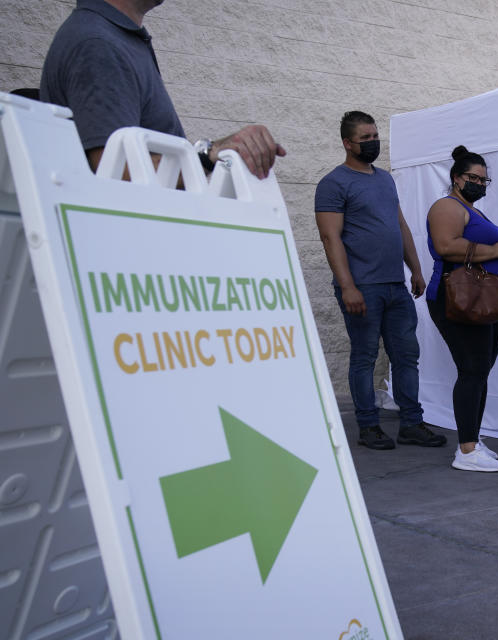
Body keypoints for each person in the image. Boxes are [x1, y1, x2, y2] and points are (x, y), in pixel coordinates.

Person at [315, 111, 446, 450]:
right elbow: (330, 238)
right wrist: (347, 287)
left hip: (395, 285)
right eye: (366, 139)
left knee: (406, 355)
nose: (373, 143)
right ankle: (369, 426)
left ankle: (412, 424)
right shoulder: (334, 183)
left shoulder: (385, 179)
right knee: (364, 356)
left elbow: (399, 225)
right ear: (347, 143)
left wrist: (416, 268)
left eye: (375, 137)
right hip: (362, 287)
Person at [40, 0, 284, 178]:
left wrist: (221, 148)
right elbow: (115, 168)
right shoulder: (99, 45)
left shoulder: (115, 38)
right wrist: (206, 158)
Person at [425, 146, 498, 472]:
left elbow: (487, 251)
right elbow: (446, 246)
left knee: (481, 371)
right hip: (458, 299)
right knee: (472, 369)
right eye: (473, 177)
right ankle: (467, 451)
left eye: (484, 180)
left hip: (486, 302)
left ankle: (472, 438)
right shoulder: (448, 206)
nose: (479, 184)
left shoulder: (474, 211)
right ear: (456, 178)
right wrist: (494, 248)